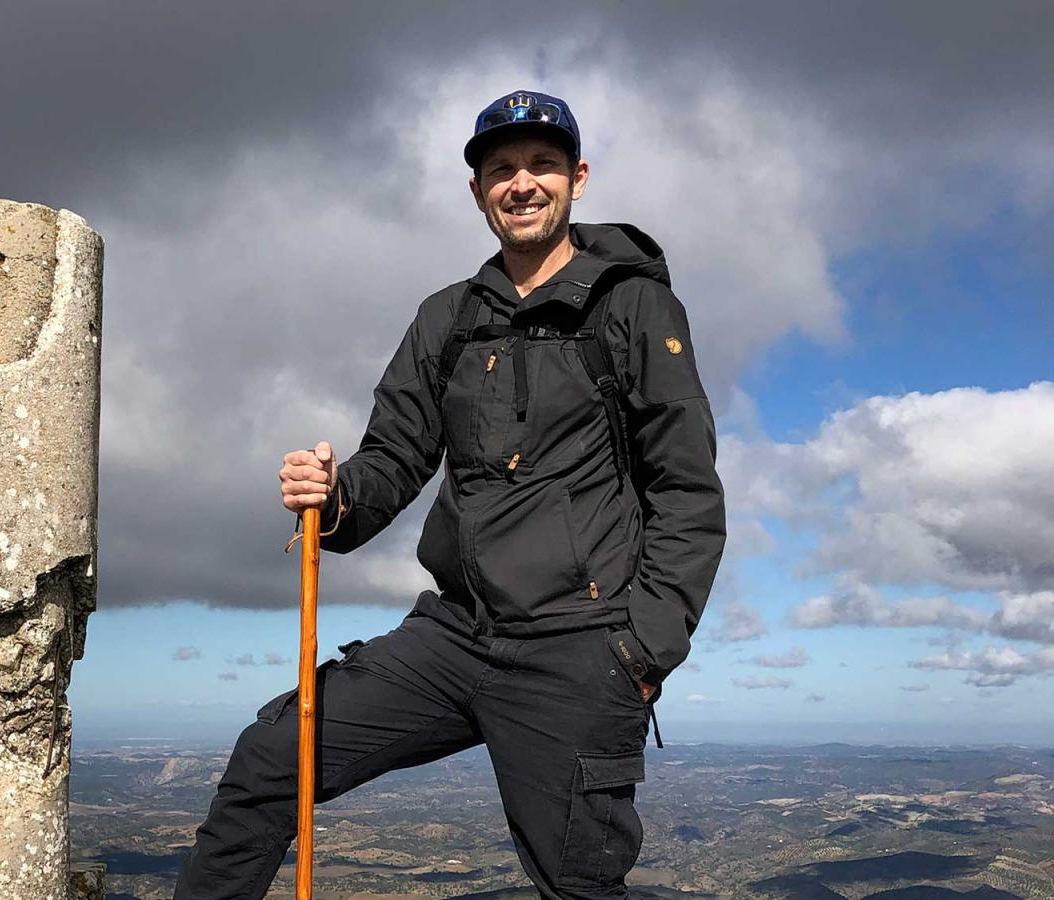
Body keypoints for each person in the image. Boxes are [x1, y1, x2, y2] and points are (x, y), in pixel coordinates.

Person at [174, 89, 726, 900]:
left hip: (579, 646)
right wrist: (334, 496)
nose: (522, 183)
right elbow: (394, 456)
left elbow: (687, 490)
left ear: (577, 178)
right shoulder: (449, 319)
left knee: (576, 882)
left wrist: (638, 656)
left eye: (542, 164)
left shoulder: (634, 306)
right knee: (269, 760)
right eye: (500, 170)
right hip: (454, 636)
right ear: (477, 193)